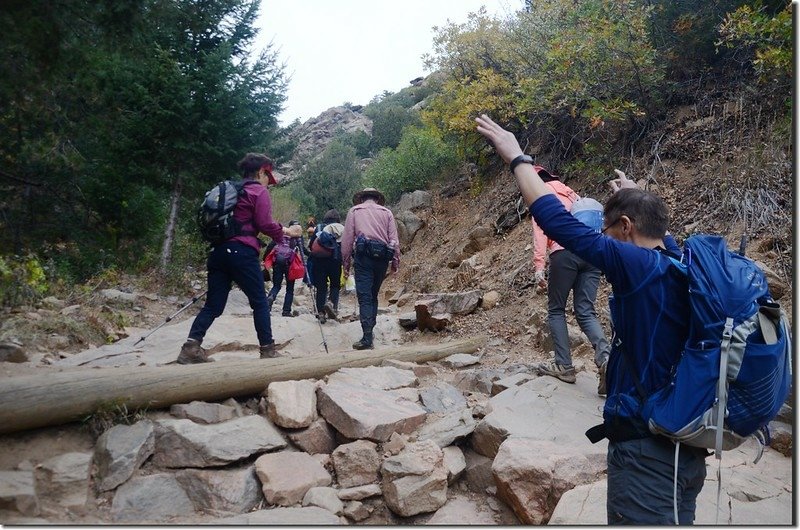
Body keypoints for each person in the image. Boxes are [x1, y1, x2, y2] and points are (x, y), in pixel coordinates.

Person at [475, 115, 706, 525]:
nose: (605, 239)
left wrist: (516, 158)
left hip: (646, 451)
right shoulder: (680, 261)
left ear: (626, 227)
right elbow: (661, 232)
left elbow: (556, 221)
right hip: (686, 448)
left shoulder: (636, 263)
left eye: (609, 230)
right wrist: (636, 194)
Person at [177, 153, 285, 363]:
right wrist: (283, 234)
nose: (268, 184)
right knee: (260, 302)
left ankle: (190, 347)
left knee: (213, 305)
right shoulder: (258, 191)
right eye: (267, 178)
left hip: (218, 253)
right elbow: (264, 224)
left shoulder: (233, 190)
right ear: (261, 172)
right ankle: (267, 349)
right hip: (241, 253)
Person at [529, 166, 611, 394]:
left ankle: (564, 366)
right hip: (592, 252)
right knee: (586, 310)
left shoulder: (540, 193)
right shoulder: (571, 193)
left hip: (564, 253)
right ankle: (605, 359)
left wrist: (539, 266)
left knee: (556, 309)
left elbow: (540, 230)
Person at [341, 187, 400, 350]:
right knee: (373, 295)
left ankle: (367, 337)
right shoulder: (387, 212)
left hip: (363, 258)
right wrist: (395, 262)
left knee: (365, 296)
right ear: (376, 199)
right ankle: (369, 332)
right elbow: (394, 240)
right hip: (381, 258)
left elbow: (346, 241)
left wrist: (345, 265)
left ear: (362, 199)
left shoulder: (354, 211)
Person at [308, 209, 344, 322]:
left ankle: (321, 313)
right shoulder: (341, 228)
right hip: (335, 260)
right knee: (335, 285)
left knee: (321, 287)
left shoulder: (319, 228)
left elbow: (311, 245)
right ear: (337, 219)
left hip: (319, 260)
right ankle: (331, 304)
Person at [266, 220, 304, 317]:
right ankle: (286, 311)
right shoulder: (297, 238)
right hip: (289, 265)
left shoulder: (281, 234)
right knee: (289, 289)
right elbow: (304, 251)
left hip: (277, 263)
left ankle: (270, 298)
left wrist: (265, 259)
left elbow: (270, 246)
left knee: (276, 286)